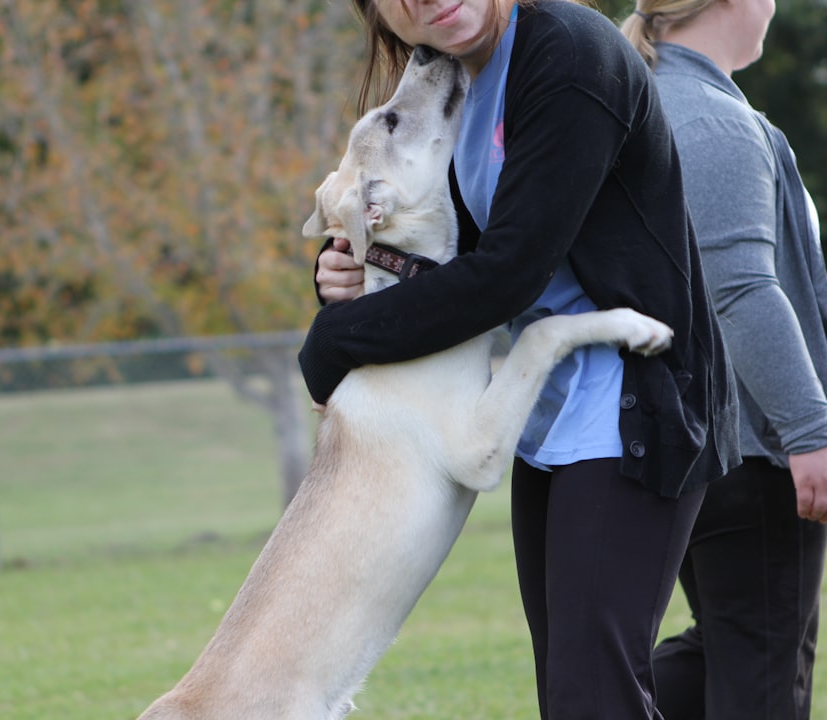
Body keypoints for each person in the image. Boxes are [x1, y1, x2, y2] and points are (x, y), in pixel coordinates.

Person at [296, 0, 741, 717]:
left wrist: (332, 345)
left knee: (592, 696)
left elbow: (509, 273)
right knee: (574, 696)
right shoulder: (457, 85)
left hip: (638, 399)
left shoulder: (568, 52)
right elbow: (451, 258)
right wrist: (349, 267)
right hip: (547, 417)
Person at [619, 3, 827, 718]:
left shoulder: (651, 100)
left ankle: (602, 696)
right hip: (751, 452)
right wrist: (809, 431)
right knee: (764, 673)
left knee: (728, 645)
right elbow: (741, 292)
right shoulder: (709, 120)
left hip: (701, 443)